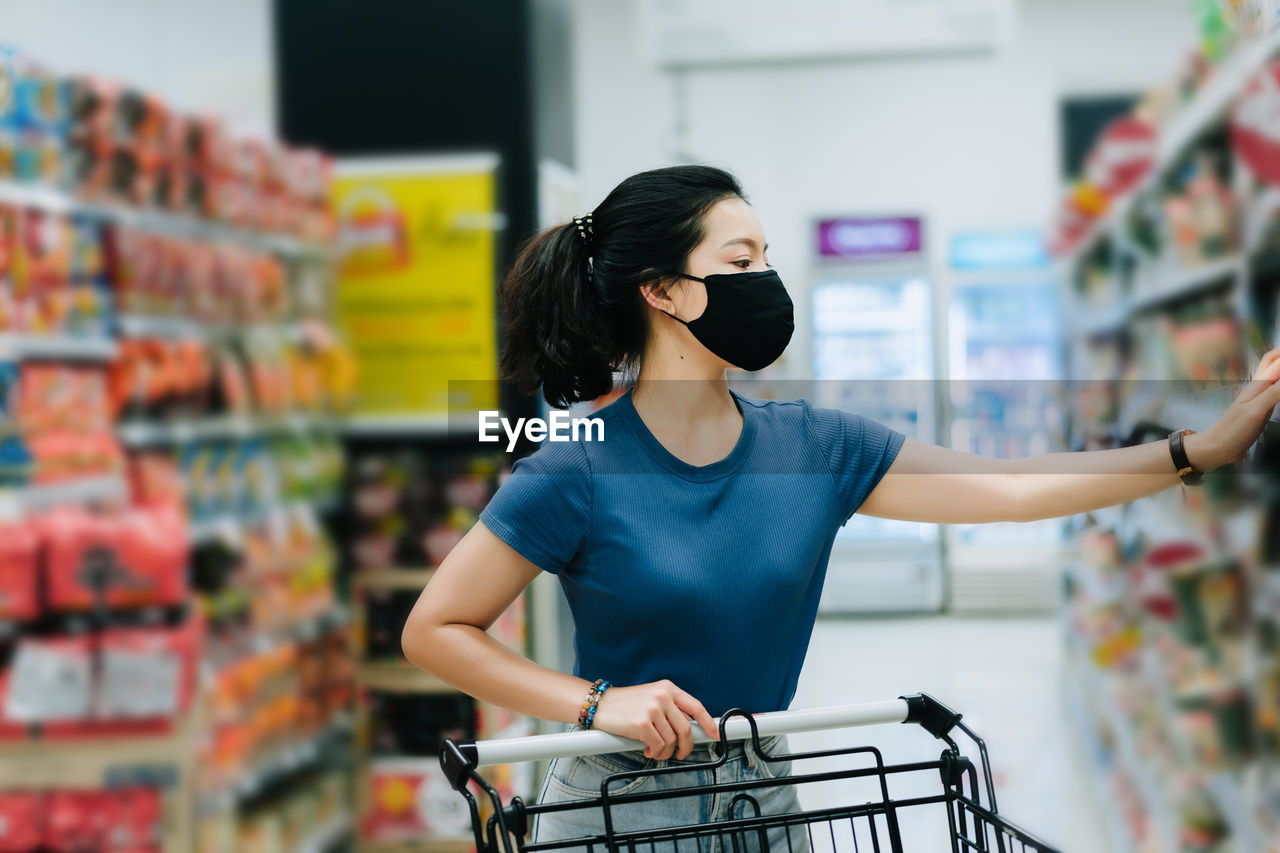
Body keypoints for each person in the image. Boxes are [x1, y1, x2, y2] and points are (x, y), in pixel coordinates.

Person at [401, 165, 1280, 850]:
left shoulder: (815, 447)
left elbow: (1010, 486)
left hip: (770, 803)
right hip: (616, 815)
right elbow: (436, 628)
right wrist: (597, 703)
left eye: (767, 258)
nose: (766, 281)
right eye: (740, 262)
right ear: (662, 291)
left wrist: (1192, 452)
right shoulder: (580, 464)